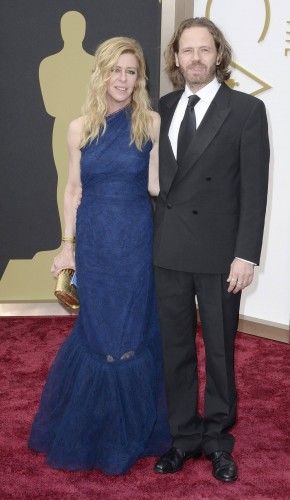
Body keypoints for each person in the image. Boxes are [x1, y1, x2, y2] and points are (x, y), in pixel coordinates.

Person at [29, 36, 170, 475]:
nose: (123, 80)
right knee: (99, 332)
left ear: (139, 77)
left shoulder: (149, 122)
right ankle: (94, 428)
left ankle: (128, 432)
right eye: (116, 71)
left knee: (129, 334)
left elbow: (155, 185)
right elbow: (73, 189)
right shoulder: (80, 127)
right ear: (102, 73)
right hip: (94, 240)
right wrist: (66, 247)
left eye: (132, 72)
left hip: (134, 240)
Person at [153, 17, 269, 482]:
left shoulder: (245, 110)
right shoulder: (161, 107)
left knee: (220, 351)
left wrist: (247, 254)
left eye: (204, 49)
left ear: (218, 54)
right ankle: (183, 436)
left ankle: (219, 439)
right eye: (187, 51)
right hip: (169, 252)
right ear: (176, 59)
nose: (195, 58)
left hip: (222, 256)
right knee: (175, 349)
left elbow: (254, 190)